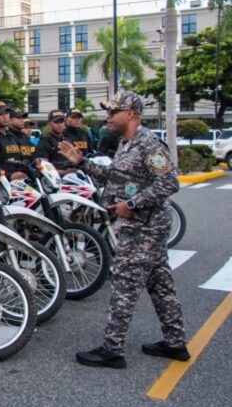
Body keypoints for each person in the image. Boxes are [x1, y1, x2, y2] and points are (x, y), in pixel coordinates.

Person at [58, 90, 189, 369]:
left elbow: (169, 183)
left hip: (144, 227)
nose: (108, 116)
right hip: (139, 225)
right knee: (160, 284)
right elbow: (116, 177)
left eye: (113, 112)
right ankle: (175, 343)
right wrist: (81, 163)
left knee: (124, 284)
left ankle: (112, 349)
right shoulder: (126, 144)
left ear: (131, 114)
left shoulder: (148, 143)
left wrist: (132, 203)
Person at [33, 109, 75, 175]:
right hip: (54, 180)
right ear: (49, 124)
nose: (60, 125)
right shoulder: (44, 143)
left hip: (72, 177)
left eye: (62, 122)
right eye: (56, 122)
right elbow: (41, 167)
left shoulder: (68, 140)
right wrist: (64, 172)